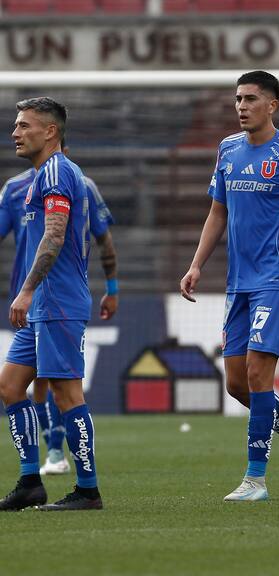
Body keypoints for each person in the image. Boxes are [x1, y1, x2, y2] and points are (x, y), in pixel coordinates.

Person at [180, 71, 279, 502]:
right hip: (240, 284)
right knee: (237, 383)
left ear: (272, 105)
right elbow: (218, 212)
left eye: (251, 99)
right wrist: (196, 265)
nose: (241, 106)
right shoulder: (228, 149)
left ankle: (256, 480)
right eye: (237, 99)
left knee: (257, 373)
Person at [0, 97, 102, 510]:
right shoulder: (43, 174)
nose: (15, 133)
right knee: (10, 386)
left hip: (58, 301)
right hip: (43, 302)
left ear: (50, 131)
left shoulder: (57, 171)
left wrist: (25, 290)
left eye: (24, 125)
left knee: (66, 394)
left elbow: (55, 235)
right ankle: (30, 482)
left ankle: (88, 490)